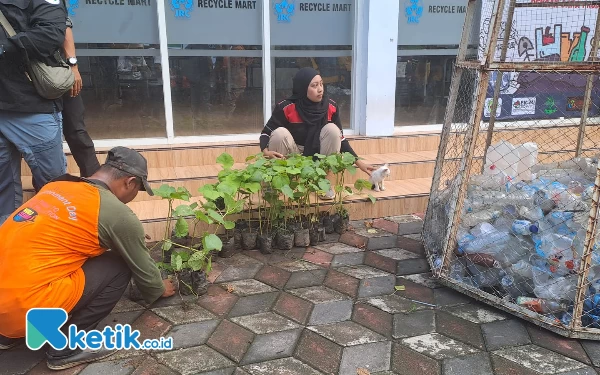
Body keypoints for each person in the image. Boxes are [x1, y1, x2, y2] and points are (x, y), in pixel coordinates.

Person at [0, 147, 176, 370]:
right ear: (130, 182)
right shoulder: (115, 212)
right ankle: (65, 347)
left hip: (4, 311)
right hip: (27, 309)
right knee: (120, 265)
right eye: (138, 190)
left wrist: (121, 236)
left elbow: (69, 236)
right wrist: (159, 288)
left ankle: (7, 336)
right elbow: (146, 276)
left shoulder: (58, 185)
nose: (133, 196)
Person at [0, 0, 69, 226]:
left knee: (54, 186)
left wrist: (5, 45)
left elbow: (51, 33)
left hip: (30, 106)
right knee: (3, 192)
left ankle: (57, 243)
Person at [259, 67, 375, 198]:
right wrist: (266, 151)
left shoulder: (330, 107)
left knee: (332, 129)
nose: (320, 89)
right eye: (314, 86)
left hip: (318, 155)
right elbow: (266, 133)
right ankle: (275, 183)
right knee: (279, 133)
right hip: (293, 155)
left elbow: (341, 139)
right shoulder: (287, 107)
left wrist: (359, 163)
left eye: (321, 84)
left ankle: (322, 183)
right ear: (303, 88)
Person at [60, 11, 101, 177]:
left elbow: (64, 27)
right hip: (25, 80)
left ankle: (95, 181)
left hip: (60, 72)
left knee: (76, 128)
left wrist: (73, 67)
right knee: (45, 136)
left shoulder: (49, 5)